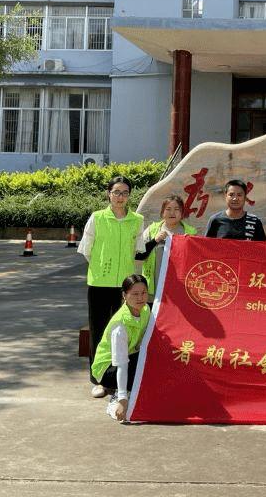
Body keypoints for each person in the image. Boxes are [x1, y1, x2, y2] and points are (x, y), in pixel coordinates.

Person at [78, 176, 146, 399]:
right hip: (99, 283)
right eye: (116, 192)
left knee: (121, 331)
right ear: (108, 194)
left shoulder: (137, 220)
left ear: (129, 196)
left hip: (125, 286)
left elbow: (138, 250)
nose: (120, 197)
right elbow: (87, 250)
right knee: (98, 330)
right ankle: (98, 379)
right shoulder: (97, 218)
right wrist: (102, 268)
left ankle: (117, 378)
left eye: (125, 193)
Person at [90, 274, 151, 423]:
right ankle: (117, 399)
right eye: (135, 294)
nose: (140, 298)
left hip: (128, 358)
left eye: (143, 293)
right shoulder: (120, 326)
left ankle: (130, 392)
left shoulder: (145, 310)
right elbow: (121, 364)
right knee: (142, 365)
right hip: (108, 369)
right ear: (124, 295)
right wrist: (123, 399)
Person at [142, 195, 197, 303]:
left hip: (180, 288)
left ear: (182, 213)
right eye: (168, 209)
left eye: (176, 209)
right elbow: (139, 255)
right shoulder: (152, 230)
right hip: (154, 288)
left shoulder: (191, 233)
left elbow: (196, 261)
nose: (172, 213)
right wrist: (155, 240)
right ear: (162, 212)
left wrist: (189, 245)